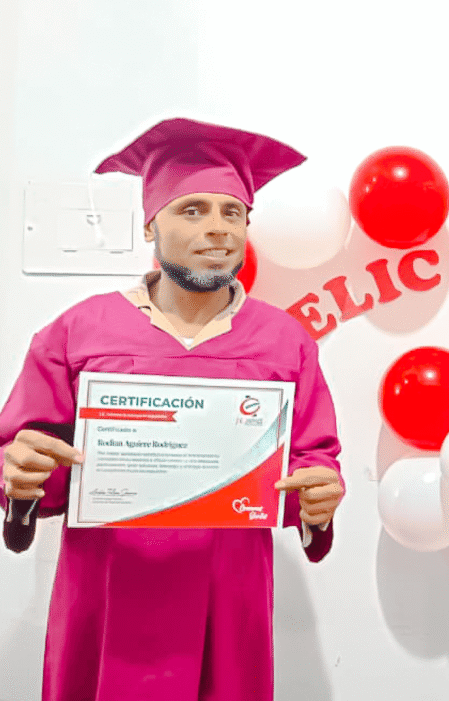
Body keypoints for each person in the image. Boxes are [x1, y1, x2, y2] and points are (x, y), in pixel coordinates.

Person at [0, 118, 345, 701]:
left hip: (229, 601)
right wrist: (21, 474)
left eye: (232, 213)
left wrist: (319, 497)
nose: (218, 228)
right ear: (150, 225)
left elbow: (313, 459)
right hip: (107, 598)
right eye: (193, 210)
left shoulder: (283, 342)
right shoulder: (80, 331)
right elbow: (27, 456)